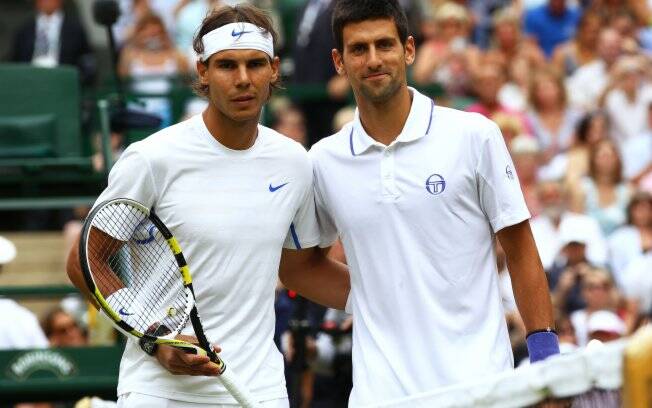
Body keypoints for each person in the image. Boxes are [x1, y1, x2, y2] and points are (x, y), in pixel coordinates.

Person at [66, 5, 349, 407]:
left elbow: (300, 268)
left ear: (274, 70)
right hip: (157, 390)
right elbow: (83, 262)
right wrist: (154, 337)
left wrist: (385, 299)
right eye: (226, 66)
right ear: (202, 71)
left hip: (258, 388)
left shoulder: (295, 162)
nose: (243, 79)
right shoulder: (153, 158)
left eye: (255, 64)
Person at [309, 1, 560, 404]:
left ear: (408, 49)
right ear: (339, 61)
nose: (374, 59)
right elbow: (299, 266)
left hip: (481, 390)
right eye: (359, 49)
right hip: (381, 397)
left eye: (384, 45)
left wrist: (546, 360)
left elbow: (521, 250)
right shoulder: (322, 160)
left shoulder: (474, 135)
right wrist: (370, 295)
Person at [9, 0, 95, 86]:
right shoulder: (24, 30)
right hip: (29, 81)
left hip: (61, 81)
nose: (47, 2)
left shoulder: (75, 29)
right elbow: (14, 60)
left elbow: (86, 60)